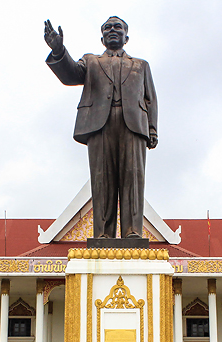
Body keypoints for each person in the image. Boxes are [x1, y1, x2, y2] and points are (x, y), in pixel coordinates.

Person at [44, 16, 157, 239]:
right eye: (107, 28)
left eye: (118, 27)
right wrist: (59, 51)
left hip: (133, 125)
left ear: (127, 36)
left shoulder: (141, 65)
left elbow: (150, 98)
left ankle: (133, 232)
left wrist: (152, 129)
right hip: (99, 124)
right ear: (102, 37)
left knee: (133, 178)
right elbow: (70, 76)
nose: (112, 30)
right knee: (101, 179)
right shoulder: (91, 61)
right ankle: (103, 234)